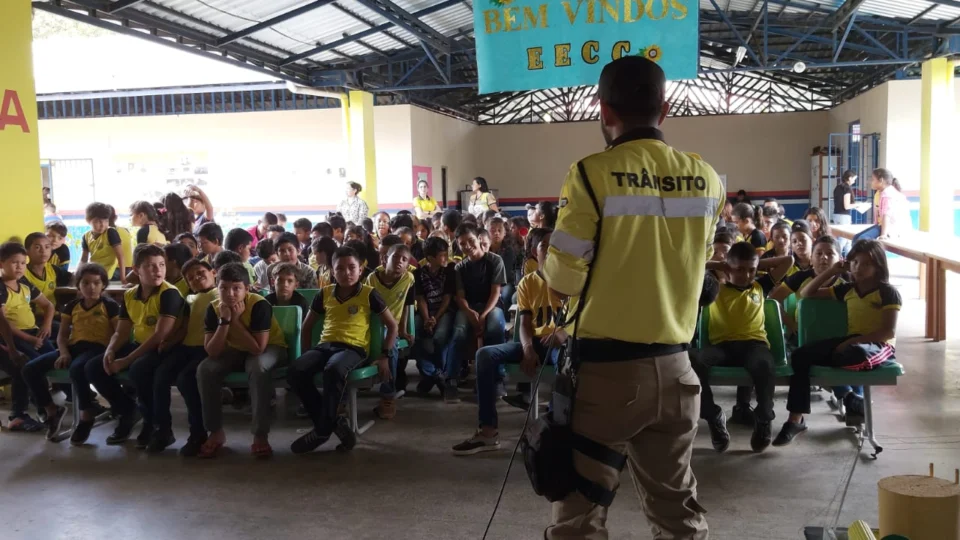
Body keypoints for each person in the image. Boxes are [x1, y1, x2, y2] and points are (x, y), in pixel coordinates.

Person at [541, 56, 724, 539]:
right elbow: (698, 263)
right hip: (679, 373)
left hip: (607, 381)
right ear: (664, 109)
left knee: (579, 518)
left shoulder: (589, 174)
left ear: (603, 110)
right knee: (677, 515)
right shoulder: (707, 178)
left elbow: (562, 281)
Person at [774, 239, 900, 445]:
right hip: (850, 343)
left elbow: (888, 332)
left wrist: (854, 342)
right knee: (800, 356)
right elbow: (807, 294)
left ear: (878, 267)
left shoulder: (887, 291)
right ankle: (795, 419)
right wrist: (832, 271)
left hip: (879, 346)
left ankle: (850, 397)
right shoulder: (848, 289)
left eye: (866, 264)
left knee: (852, 354)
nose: (858, 268)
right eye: (855, 262)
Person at [453, 228, 563, 455]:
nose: (552, 251)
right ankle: (488, 432)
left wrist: (563, 335)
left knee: (565, 358)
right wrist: (527, 347)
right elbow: (524, 323)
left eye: (558, 247)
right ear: (535, 251)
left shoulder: (572, 284)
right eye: (545, 246)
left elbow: (579, 323)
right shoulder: (528, 283)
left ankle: (554, 433)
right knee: (485, 354)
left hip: (560, 345)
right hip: (534, 342)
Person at [287, 246, 398, 455]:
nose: (346, 273)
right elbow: (307, 326)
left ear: (360, 270)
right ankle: (334, 422)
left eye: (351, 268)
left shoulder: (369, 294)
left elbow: (392, 326)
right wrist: (307, 354)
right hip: (325, 346)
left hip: (353, 349)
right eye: (340, 269)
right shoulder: (325, 293)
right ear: (332, 270)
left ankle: (322, 430)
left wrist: (385, 355)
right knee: (296, 370)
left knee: (334, 370)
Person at [694, 242, 794, 453]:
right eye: (739, 269)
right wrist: (723, 264)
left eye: (751, 270)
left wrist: (756, 263)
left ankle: (764, 418)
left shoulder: (760, 286)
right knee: (695, 362)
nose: (746, 275)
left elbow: (788, 261)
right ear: (728, 269)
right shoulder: (715, 289)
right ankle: (713, 416)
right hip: (722, 347)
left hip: (753, 346)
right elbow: (695, 265)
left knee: (765, 366)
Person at [85, 244, 185, 448]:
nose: (158, 271)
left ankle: (154, 425)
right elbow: (122, 331)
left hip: (165, 348)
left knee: (139, 369)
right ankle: (126, 410)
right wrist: (111, 350)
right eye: (150, 266)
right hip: (141, 344)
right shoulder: (130, 295)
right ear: (137, 270)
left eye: (161, 265)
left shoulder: (169, 293)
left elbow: (160, 335)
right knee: (94, 367)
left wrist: (126, 360)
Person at [194, 263, 288, 458]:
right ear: (217, 288)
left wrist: (235, 321)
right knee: (206, 369)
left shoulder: (259, 304)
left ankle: (260, 434)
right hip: (236, 349)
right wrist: (225, 321)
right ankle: (215, 432)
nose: (230, 294)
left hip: (271, 347)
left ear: (246, 289)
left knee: (258, 367)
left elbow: (257, 348)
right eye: (224, 288)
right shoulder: (213, 309)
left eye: (236, 288)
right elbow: (212, 351)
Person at [22, 263, 118, 442]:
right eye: (86, 283)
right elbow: (63, 335)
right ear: (78, 285)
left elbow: (118, 334)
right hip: (74, 347)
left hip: (98, 348)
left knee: (77, 368)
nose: (91, 287)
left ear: (103, 284)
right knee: (29, 369)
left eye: (97, 283)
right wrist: (64, 352)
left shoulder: (109, 305)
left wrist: (111, 351)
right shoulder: (72, 305)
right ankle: (52, 410)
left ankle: (86, 415)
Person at [445, 223, 507, 403]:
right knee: (459, 331)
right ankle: (451, 380)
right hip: (469, 307)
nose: (468, 246)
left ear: (479, 239)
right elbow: (460, 296)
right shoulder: (459, 268)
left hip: (492, 306)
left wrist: (484, 314)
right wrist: (470, 312)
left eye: (471, 240)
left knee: (495, 327)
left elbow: (496, 293)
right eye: (462, 244)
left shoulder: (495, 261)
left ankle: (497, 378)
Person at [0, 241, 57, 432]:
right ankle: (20, 415)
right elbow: (3, 324)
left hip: (32, 333)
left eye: (23, 263)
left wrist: (46, 325)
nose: (20, 267)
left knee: (56, 359)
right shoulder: (1, 288)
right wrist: (28, 340)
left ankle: (49, 406)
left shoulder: (23, 283)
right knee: (26, 366)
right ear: (1, 264)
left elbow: (48, 305)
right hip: (11, 338)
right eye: (14, 262)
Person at [173, 258, 218, 456]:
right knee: (157, 372)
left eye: (201, 273)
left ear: (213, 272)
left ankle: (198, 432)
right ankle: (157, 429)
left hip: (205, 349)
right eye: (191, 278)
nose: (197, 279)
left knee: (186, 379)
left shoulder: (219, 294)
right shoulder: (189, 299)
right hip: (185, 348)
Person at [365, 242, 415, 419]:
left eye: (404, 260)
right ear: (385, 259)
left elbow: (406, 306)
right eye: (395, 258)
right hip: (374, 324)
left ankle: (387, 396)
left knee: (391, 344)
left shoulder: (408, 279)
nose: (400, 262)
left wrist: (403, 330)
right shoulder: (372, 279)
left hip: (392, 327)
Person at [413, 236, 455, 395]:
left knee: (440, 337)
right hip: (425, 312)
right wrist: (426, 318)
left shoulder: (450, 270)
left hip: (443, 312)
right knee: (413, 335)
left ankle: (432, 375)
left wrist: (435, 318)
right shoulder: (419, 273)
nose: (446, 258)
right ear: (430, 258)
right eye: (442, 255)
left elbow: (447, 298)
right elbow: (421, 299)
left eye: (446, 254)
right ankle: (435, 374)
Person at [24, 233, 72, 315]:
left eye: (47, 247)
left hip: (54, 314)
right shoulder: (22, 273)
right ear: (26, 251)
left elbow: (72, 277)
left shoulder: (52, 269)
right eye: (37, 247)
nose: (43, 251)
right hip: (34, 318)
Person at [81, 202, 126, 284]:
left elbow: (120, 256)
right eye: (98, 221)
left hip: (111, 273)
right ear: (88, 221)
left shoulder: (110, 232)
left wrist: (123, 278)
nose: (103, 225)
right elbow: (83, 259)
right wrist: (77, 275)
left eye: (106, 221)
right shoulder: (86, 236)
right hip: (94, 271)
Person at [871, 168, 911, 239]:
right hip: (884, 226)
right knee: (858, 238)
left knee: (862, 239)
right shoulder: (881, 193)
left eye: (873, 179)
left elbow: (886, 216)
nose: (871, 182)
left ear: (881, 180)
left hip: (893, 229)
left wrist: (883, 234)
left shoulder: (888, 195)